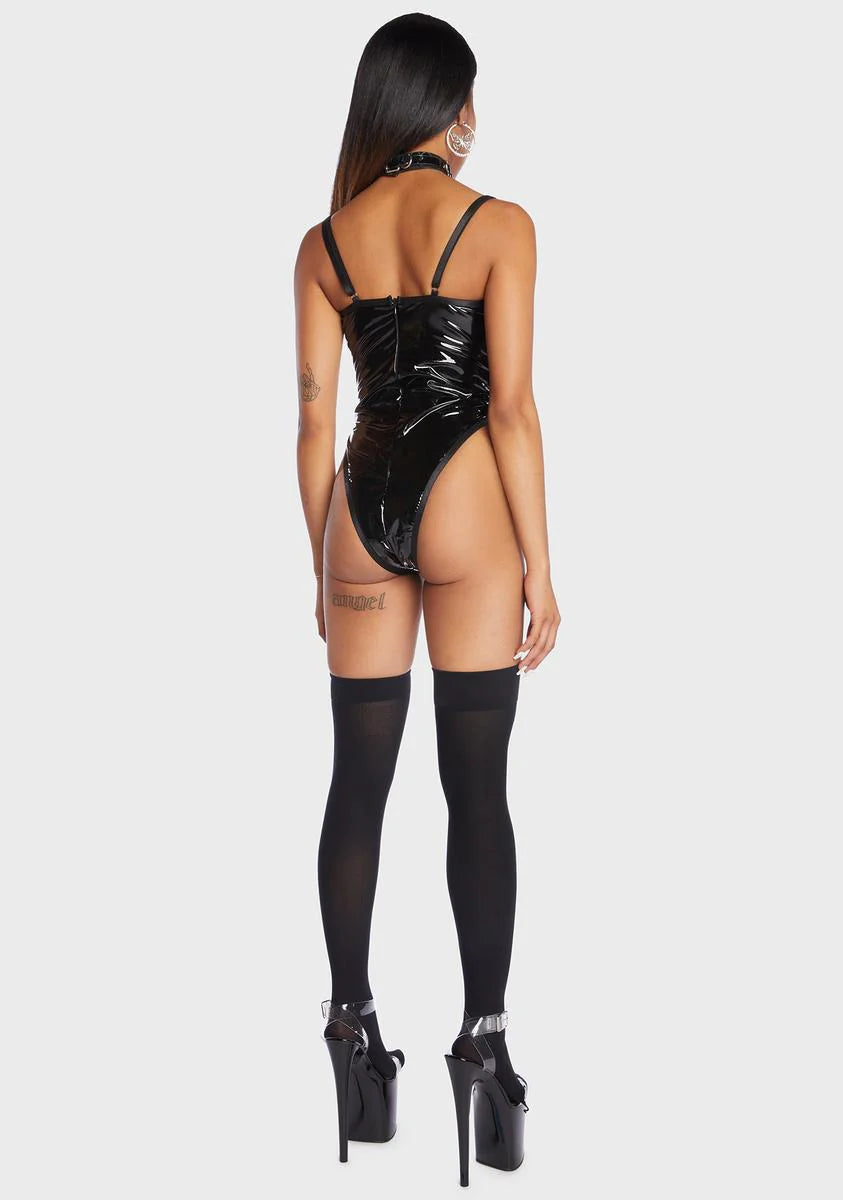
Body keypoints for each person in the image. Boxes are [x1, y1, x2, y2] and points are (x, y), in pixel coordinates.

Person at [294, 13, 560, 1186]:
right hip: (466, 505)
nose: (473, 122)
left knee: (357, 781)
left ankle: (351, 1027)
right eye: (465, 100)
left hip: (357, 509)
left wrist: (324, 565)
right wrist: (541, 565)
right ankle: (485, 1052)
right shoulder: (500, 224)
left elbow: (312, 426)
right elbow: (510, 410)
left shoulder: (324, 243)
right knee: (477, 789)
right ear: (438, 107)